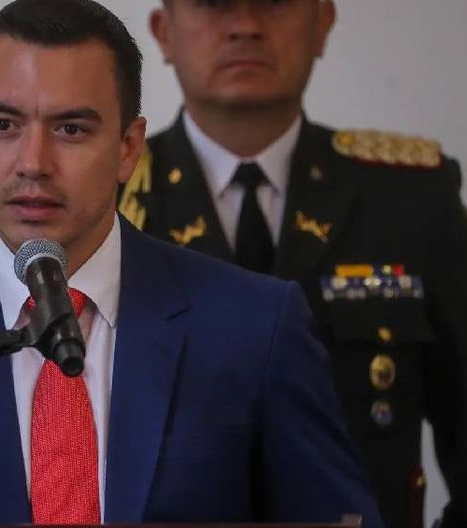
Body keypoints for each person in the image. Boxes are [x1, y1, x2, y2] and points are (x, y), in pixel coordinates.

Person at [0, 0, 384, 525]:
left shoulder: (256, 325)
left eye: (70, 129)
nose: (33, 162)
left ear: (128, 147)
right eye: (4, 124)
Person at [118, 2, 467, 528]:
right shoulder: (107, 200)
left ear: (322, 23)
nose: (245, 26)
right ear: (164, 32)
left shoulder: (409, 198)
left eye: (275, 2)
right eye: (213, 4)